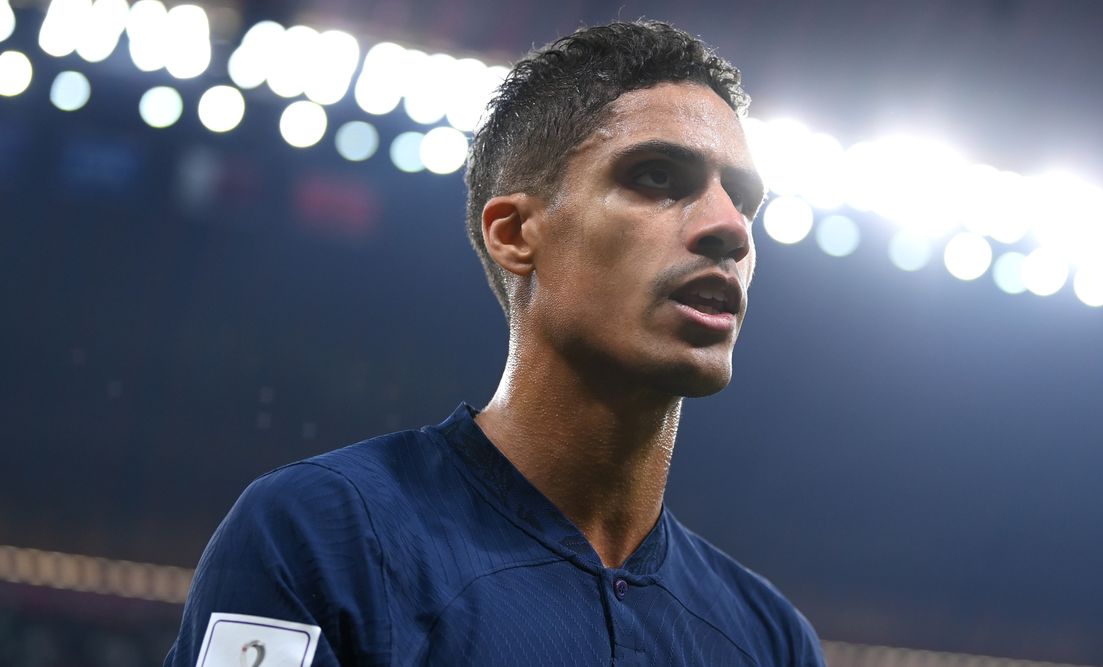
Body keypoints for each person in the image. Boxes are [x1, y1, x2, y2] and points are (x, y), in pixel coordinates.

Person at [167, 20, 826, 666]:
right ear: (514, 233)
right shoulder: (322, 535)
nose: (729, 230)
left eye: (742, 201)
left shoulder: (772, 638)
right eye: (655, 177)